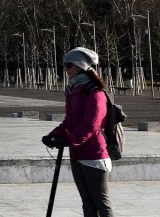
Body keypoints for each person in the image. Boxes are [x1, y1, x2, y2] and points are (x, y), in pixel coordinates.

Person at [42, 47, 114, 217]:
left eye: (68, 65)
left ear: (80, 66)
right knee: (87, 203)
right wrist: (53, 135)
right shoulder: (74, 89)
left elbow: (92, 124)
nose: (66, 70)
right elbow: (70, 121)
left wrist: (69, 140)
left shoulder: (95, 92)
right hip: (77, 154)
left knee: (101, 204)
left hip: (94, 155)